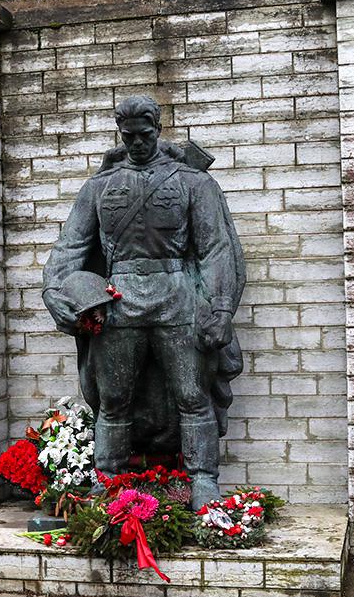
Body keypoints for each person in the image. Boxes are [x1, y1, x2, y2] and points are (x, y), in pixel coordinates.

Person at [41, 95, 246, 510]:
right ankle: (109, 479)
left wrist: (221, 309)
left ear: (157, 129)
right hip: (118, 303)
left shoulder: (193, 183)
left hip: (178, 298)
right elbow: (70, 248)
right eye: (128, 136)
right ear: (121, 134)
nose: (136, 143)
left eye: (144, 135)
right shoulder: (99, 187)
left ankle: (203, 480)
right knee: (114, 400)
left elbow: (216, 250)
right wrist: (53, 292)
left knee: (192, 395)